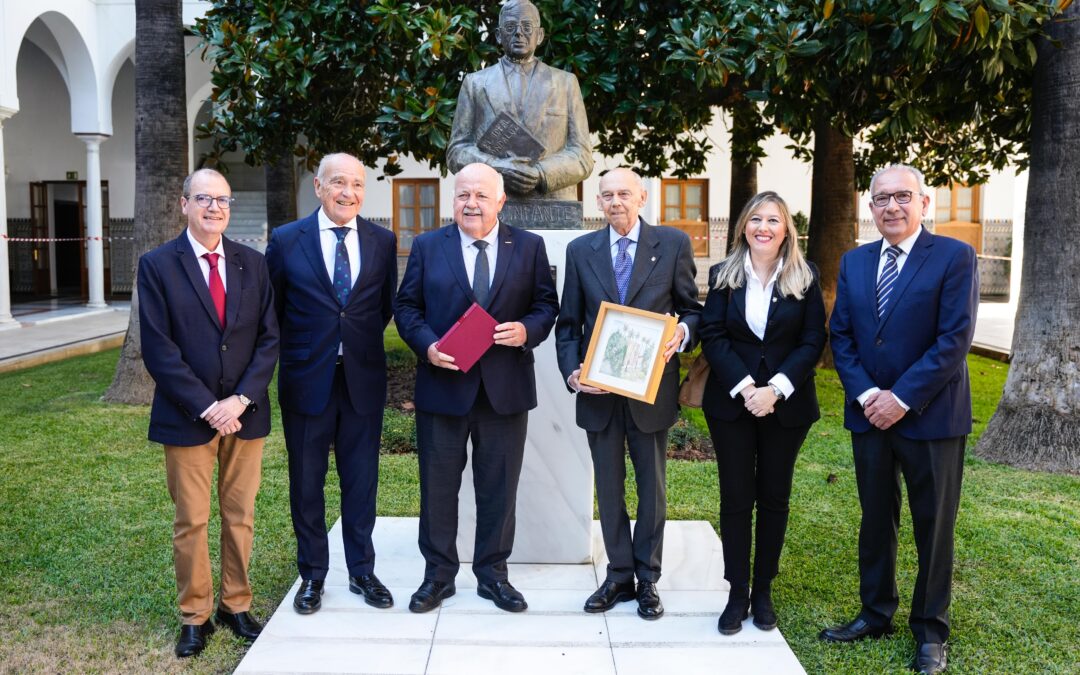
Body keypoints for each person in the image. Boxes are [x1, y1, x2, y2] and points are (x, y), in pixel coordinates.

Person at [822, 164, 978, 675]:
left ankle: (931, 631)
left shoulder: (954, 257)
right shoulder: (855, 262)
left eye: (902, 197)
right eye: (881, 198)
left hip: (931, 417)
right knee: (875, 519)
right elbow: (841, 336)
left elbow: (953, 339)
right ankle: (875, 612)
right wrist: (870, 394)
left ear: (924, 202)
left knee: (933, 527)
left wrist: (902, 398)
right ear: (870, 207)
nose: (891, 206)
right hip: (870, 416)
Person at [394, 162, 559, 613]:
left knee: (498, 488)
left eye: (481, 195)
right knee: (438, 487)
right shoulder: (429, 246)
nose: (471, 203)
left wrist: (527, 330)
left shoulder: (528, 247)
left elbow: (547, 304)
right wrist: (426, 346)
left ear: (500, 201)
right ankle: (438, 577)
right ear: (454, 200)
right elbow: (406, 307)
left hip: (504, 392)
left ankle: (493, 575)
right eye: (463, 194)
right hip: (443, 387)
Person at [138, 168, 279, 657]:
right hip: (187, 417)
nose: (214, 208)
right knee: (192, 520)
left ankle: (235, 605)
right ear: (184, 205)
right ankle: (195, 614)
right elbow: (158, 349)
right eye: (203, 199)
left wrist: (240, 399)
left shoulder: (252, 264)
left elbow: (268, 339)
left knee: (240, 515)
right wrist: (207, 407)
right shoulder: (157, 265)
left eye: (222, 200)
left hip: (246, 414)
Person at [555, 167, 701, 620]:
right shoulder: (581, 251)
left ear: (642, 198)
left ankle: (648, 579)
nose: (615, 201)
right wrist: (573, 372)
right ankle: (618, 575)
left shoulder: (672, 244)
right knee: (610, 488)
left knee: (651, 489)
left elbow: (693, 310)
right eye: (607, 195)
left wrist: (683, 333)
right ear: (598, 203)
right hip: (598, 392)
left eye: (624, 193)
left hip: (651, 390)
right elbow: (568, 325)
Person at [265, 153, 398, 615]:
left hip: (362, 378)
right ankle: (313, 576)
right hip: (306, 380)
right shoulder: (285, 240)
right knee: (307, 482)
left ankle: (362, 570)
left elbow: (382, 309)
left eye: (357, 184)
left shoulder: (383, 241)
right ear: (318, 187)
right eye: (338, 182)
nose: (348, 193)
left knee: (361, 481)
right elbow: (273, 312)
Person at [698, 192, 826, 635]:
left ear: (786, 229)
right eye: (756, 219)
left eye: (773, 220)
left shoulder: (806, 277)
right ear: (743, 227)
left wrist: (776, 389)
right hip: (731, 404)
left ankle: (764, 590)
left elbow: (813, 341)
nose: (764, 227)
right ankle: (737, 592)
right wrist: (747, 387)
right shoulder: (722, 276)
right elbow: (712, 336)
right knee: (736, 498)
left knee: (774, 497)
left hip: (786, 406)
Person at [446, 0, 593, 199]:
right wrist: (496, 167)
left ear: (539, 35)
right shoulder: (475, 84)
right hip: (496, 204)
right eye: (510, 26)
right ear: (498, 35)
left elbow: (582, 155)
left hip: (553, 206)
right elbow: (456, 151)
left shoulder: (565, 83)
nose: (518, 32)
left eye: (527, 26)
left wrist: (541, 172)